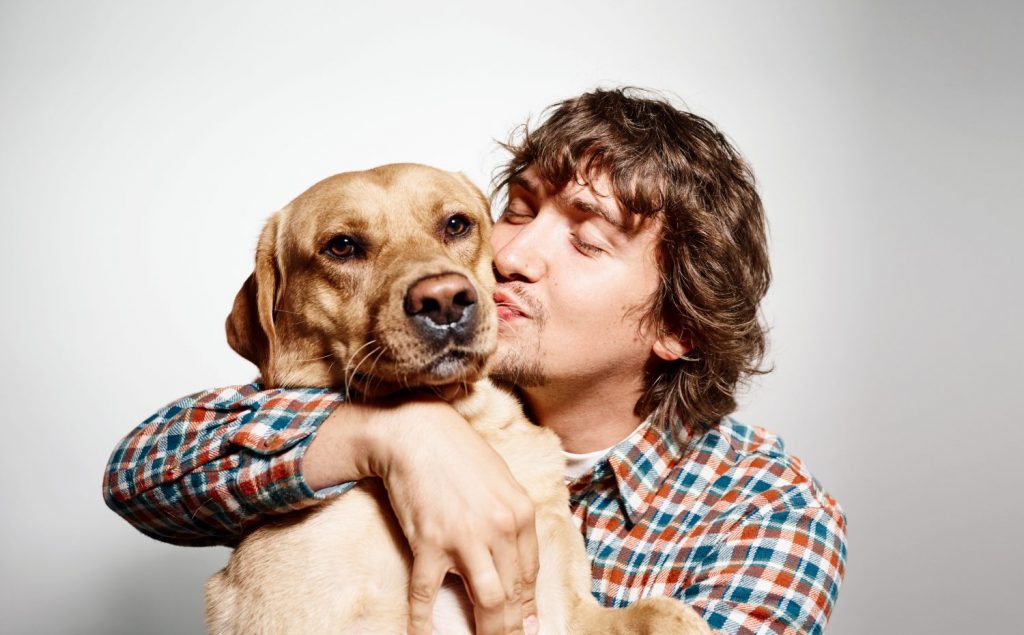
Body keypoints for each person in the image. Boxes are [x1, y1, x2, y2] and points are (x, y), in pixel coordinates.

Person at [104, 88, 847, 635]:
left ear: (677, 324)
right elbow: (140, 469)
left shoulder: (766, 510)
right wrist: (396, 437)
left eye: (587, 241)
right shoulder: (407, 385)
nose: (508, 256)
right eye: (515, 211)